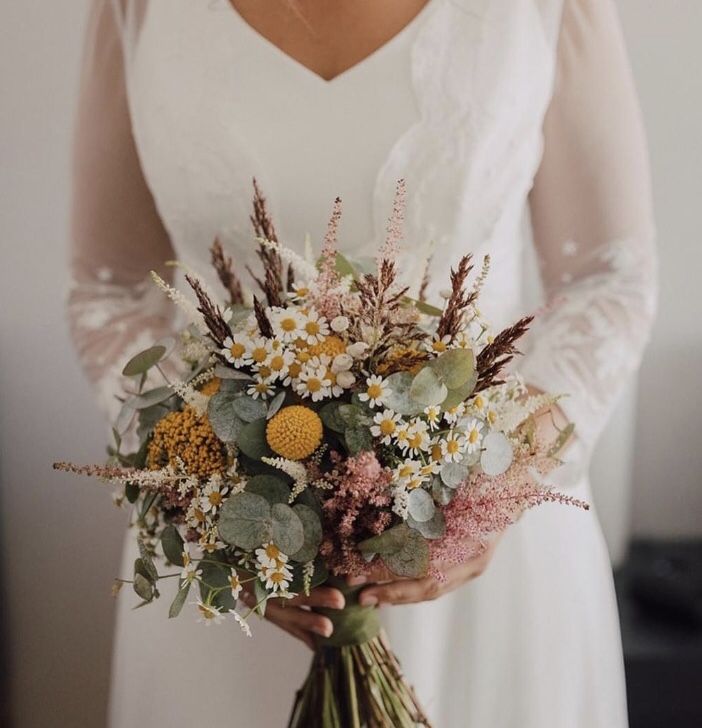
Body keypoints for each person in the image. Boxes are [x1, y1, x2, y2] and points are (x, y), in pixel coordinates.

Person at [68, 0, 657, 725]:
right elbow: (110, 291)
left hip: (485, 558)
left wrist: (503, 478)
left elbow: (608, 277)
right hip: (230, 574)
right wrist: (204, 484)